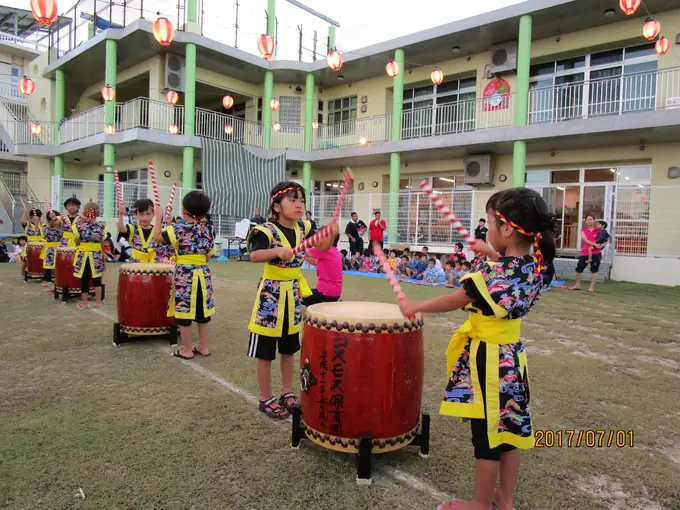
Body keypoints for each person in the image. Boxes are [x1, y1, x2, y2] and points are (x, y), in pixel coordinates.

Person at [399, 188, 556, 510]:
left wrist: (416, 304)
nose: (486, 229)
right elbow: (511, 268)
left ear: (507, 229)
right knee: (510, 431)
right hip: (514, 359)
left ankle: (480, 504)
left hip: (489, 361)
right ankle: (505, 499)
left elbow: (452, 300)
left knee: (485, 437)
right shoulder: (536, 269)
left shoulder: (489, 276)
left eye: (489, 223)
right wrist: (490, 250)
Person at [247, 181, 337, 420]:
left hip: (294, 296)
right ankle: (265, 397)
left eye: (302, 201)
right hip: (270, 296)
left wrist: (333, 230)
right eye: (293, 200)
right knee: (265, 352)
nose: (299, 205)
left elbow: (324, 246)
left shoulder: (304, 227)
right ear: (276, 206)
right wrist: (277, 252)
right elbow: (255, 255)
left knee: (289, 349)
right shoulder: (265, 230)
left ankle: (287, 392)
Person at [154, 190, 215, 360]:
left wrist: (158, 217)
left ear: (185, 211)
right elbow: (209, 253)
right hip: (203, 274)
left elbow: (157, 237)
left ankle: (187, 349)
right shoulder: (209, 228)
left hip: (185, 275)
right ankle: (203, 347)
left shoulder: (179, 229)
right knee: (203, 312)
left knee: (184, 312)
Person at [72, 202, 106, 309]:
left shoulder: (79, 226)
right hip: (96, 254)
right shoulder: (101, 227)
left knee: (85, 279)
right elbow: (102, 241)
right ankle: (99, 303)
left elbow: (76, 239)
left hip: (84, 255)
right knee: (97, 279)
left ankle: (85, 303)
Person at [570, 214, 606, 293]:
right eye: (587, 219)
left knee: (594, 270)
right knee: (579, 269)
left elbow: (606, 239)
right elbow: (584, 239)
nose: (589, 221)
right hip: (585, 252)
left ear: (594, 220)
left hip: (596, 253)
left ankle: (591, 288)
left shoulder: (599, 230)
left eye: (591, 219)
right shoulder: (583, 230)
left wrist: (601, 245)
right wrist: (594, 244)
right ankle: (577, 285)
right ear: (585, 221)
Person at [303, 235, 343, 306]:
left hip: (326, 292)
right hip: (335, 292)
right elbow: (315, 262)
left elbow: (304, 251)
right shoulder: (334, 250)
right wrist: (305, 256)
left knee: (298, 297)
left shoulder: (326, 250)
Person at [117, 199, 160, 264]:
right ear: (136, 214)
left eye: (148, 214)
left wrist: (160, 218)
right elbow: (121, 228)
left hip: (152, 265)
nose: (145, 217)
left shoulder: (157, 231)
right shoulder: (133, 229)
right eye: (141, 214)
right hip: (135, 267)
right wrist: (121, 214)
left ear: (153, 214)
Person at [39, 211, 64, 293]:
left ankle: (58, 283)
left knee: (58, 267)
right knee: (48, 266)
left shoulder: (60, 228)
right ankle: (47, 280)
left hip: (59, 248)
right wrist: (52, 221)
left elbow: (62, 235)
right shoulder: (45, 228)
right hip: (50, 249)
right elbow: (45, 233)